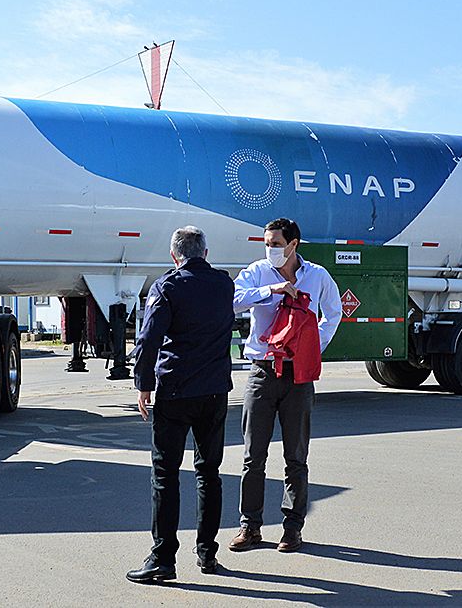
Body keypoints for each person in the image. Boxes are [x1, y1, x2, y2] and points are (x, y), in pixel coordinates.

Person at [126, 226, 235, 584]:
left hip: (175, 391)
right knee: (209, 473)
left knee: (165, 474)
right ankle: (207, 552)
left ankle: (163, 557)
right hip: (215, 391)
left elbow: (149, 339)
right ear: (205, 253)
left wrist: (143, 384)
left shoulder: (167, 287)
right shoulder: (224, 284)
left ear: (174, 255)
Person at [230, 218, 342, 554]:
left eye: (277, 244)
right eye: (267, 243)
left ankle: (292, 528)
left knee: (296, 456)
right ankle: (250, 526)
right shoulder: (257, 271)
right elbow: (232, 300)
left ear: (294, 244)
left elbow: (333, 312)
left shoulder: (317, 275)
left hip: (298, 375)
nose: (271, 249)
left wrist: (313, 345)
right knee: (253, 456)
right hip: (262, 371)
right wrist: (271, 290)